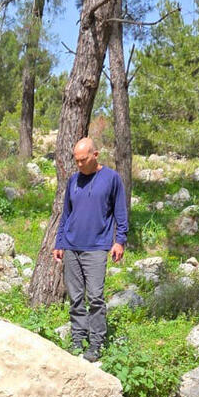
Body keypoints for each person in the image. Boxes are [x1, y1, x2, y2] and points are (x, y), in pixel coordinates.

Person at [52, 137, 128, 362]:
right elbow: (66, 214)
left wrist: (119, 240)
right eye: (76, 161)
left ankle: (96, 343)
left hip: (96, 247)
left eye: (83, 160)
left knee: (95, 297)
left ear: (95, 155)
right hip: (72, 246)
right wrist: (59, 242)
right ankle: (77, 339)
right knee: (75, 298)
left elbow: (120, 213)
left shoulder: (112, 179)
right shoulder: (73, 180)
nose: (79, 165)